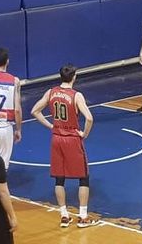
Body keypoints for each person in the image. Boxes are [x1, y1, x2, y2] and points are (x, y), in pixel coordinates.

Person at [31, 64, 100, 228]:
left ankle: (64, 215)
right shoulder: (76, 95)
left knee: (59, 178)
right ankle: (83, 217)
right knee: (83, 177)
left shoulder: (51, 92)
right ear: (74, 77)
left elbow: (34, 111)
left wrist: (51, 126)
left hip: (57, 138)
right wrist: (85, 134)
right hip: (72, 139)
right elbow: (89, 118)